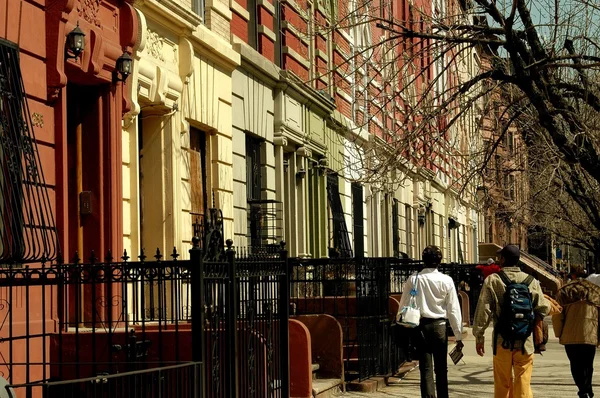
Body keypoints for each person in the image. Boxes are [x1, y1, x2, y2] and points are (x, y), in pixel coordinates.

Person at [472, 244, 549, 398]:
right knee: (523, 381)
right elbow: (543, 308)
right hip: (525, 340)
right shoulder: (531, 281)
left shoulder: (493, 280)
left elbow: (484, 310)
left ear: (502, 259)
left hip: (502, 340)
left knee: (502, 382)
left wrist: (479, 336)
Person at [397, 245, 463, 398]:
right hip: (439, 326)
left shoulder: (414, 279)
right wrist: (458, 335)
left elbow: (403, 304)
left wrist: (399, 321)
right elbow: (454, 309)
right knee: (441, 368)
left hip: (420, 326)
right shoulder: (446, 280)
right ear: (439, 261)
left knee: (425, 368)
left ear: (423, 260)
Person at [553, 271, 600, 398]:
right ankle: (588, 390)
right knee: (588, 365)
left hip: (570, 335)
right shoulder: (595, 292)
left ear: (573, 276)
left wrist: (559, 333)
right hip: (590, 333)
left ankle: (582, 390)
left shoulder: (565, 291)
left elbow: (557, 315)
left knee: (575, 364)